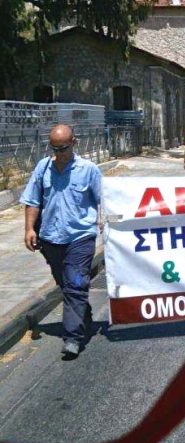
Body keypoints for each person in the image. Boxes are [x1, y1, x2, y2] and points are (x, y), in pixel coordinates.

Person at [20, 124, 101, 357]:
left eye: (63, 148)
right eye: (54, 148)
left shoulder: (89, 170)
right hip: (51, 238)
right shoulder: (43, 168)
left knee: (75, 283)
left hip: (81, 237)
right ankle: (82, 315)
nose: (59, 152)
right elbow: (33, 201)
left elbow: (103, 201)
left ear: (73, 142)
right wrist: (28, 229)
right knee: (66, 284)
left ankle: (72, 338)